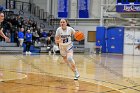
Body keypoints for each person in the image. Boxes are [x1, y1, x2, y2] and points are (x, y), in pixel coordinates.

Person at [0, 11, 10, 77]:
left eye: (3, 16)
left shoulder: (1, 23)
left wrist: (4, 37)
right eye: (1, 16)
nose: (3, 17)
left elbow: (0, 32)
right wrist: (5, 37)